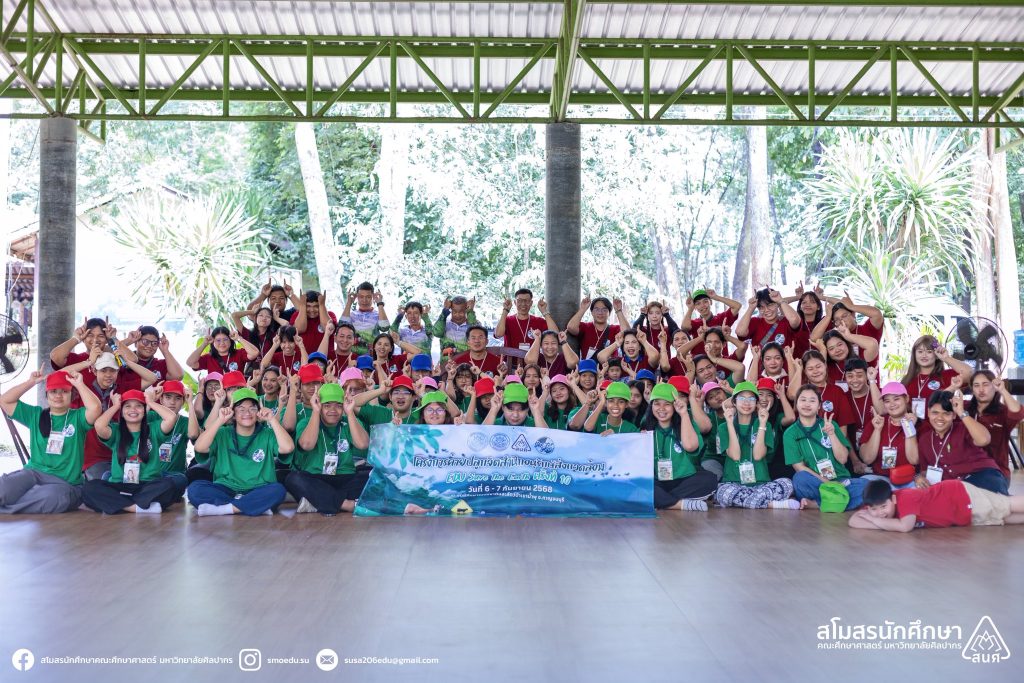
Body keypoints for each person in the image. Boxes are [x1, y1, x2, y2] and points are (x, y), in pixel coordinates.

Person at [0, 368, 101, 513]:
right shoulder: (35, 415)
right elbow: (5, 400)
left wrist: (80, 384)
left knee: (53, 496)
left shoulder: (78, 417)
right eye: (53, 391)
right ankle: (23, 500)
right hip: (34, 474)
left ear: (72, 395)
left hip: (67, 483)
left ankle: (7, 507)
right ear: (46, 395)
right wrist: (30, 382)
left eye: (64, 391)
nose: (58, 396)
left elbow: (95, 408)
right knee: (5, 485)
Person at [186, 388, 293, 516]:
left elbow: (288, 448)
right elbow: (199, 447)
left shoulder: (268, 434)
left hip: (259, 488)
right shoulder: (222, 433)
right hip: (226, 488)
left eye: (252, 408)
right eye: (241, 409)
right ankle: (253, 506)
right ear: (233, 413)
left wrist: (272, 419)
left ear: (258, 412)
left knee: (278, 490)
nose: (247, 413)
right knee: (195, 489)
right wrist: (220, 420)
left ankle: (225, 509)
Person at [81, 389, 181, 514]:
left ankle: (119, 504)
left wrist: (150, 401)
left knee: (169, 485)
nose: (133, 410)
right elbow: (99, 425)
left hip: (147, 485)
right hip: (120, 485)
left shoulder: (154, 429)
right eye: (127, 406)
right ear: (122, 412)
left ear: (144, 410)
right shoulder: (115, 430)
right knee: (89, 488)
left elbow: (171, 417)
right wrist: (115, 406)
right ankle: (137, 507)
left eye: (138, 406)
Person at [286, 383, 370, 515]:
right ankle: (346, 504)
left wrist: (350, 412)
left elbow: (363, 444)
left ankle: (318, 501)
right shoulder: (306, 422)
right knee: (293, 478)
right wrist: (315, 411)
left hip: (345, 477)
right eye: (327, 405)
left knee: (371, 475)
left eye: (338, 405)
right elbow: (307, 445)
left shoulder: (349, 421)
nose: (333, 410)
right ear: (319, 405)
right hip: (316, 478)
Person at [783, 384, 868, 511]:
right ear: (796, 404)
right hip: (816, 482)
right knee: (800, 479)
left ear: (819, 406)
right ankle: (840, 499)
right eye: (803, 400)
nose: (807, 404)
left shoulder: (831, 425)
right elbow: (799, 467)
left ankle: (818, 504)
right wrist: (828, 483)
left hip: (840, 479)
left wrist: (832, 434)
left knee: (866, 485)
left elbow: (843, 459)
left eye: (812, 400)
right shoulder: (790, 433)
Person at [714, 382, 798, 509]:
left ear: (756, 404)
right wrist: (730, 424)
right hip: (733, 483)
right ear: (734, 402)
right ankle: (769, 504)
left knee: (787, 484)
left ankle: (746, 501)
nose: (747, 403)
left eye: (751, 399)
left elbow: (758, 455)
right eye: (742, 398)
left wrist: (762, 423)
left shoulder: (765, 425)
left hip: (761, 483)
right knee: (723, 492)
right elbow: (735, 456)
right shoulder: (723, 427)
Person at [915, 390, 1008, 495]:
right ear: (928, 412)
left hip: (983, 476)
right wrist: (919, 478)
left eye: (946, 413)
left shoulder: (964, 428)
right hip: (955, 487)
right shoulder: (925, 440)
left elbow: (984, 440)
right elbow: (924, 471)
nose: (940, 418)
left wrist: (961, 412)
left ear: (954, 415)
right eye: (935, 413)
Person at [643, 383, 717, 511]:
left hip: (683, 480)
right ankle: (679, 504)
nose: (661, 408)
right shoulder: (646, 426)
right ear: (651, 406)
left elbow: (690, 446)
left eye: (667, 404)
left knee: (709, 480)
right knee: (641, 486)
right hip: (657, 481)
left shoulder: (685, 421)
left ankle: (661, 500)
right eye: (657, 404)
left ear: (674, 405)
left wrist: (683, 414)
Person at [850, 479, 1024, 531]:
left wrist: (876, 521)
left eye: (883, 507)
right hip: (960, 515)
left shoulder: (905, 498)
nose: (880, 512)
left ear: (893, 499)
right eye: (873, 509)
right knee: (1003, 517)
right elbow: (853, 521)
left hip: (960, 496)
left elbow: (905, 527)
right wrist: (879, 521)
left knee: (1006, 504)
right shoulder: (877, 501)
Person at [858, 382, 919, 489]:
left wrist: (909, 427)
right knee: (860, 484)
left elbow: (914, 460)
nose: (892, 404)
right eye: (887, 401)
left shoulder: (920, 424)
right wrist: (877, 430)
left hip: (908, 480)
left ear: (906, 398)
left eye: (896, 399)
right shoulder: (876, 422)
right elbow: (867, 459)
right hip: (880, 480)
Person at [966, 370, 1024, 481]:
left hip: (996, 472)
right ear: (972, 389)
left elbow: (1018, 413)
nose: (981, 389)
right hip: (966, 470)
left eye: (985, 384)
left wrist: (1003, 390)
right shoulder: (963, 408)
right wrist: (953, 387)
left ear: (994, 386)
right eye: (976, 385)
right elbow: (938, 405)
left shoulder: (1002, 411)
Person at [900, 335, 973, 418]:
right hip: (913, 425)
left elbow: (970, 373)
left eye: (929, 352)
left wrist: (946, 358)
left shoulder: (946, 376)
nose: (924, 355)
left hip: (940, 424)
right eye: (920, 352)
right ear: (914, 354)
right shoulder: (907, 379)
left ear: (936, 355)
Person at [566, 295, 631, 360]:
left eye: (604, 310)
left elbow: (628, 333)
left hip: (611, 366)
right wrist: (583, 309)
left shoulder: (614, 329)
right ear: (592, 312)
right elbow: (571, 327)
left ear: (609, 313)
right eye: (596, 309)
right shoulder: (585, 327)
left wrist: (618, 311)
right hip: (588, 366)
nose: (600, 313)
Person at [494, 289, 558, 354]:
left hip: (533, 360)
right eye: (519, 301)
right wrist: (505, 310)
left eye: (527, 301)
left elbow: (556, 334)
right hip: (510, 359)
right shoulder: (507, 320)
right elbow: (498, 335)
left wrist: (544, 311)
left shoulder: (539, 321)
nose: (523, 304)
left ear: (531, 303)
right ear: (515, 302)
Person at [735, 288, 801, 349]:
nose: (766, 310)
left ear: (777, 305)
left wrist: (780, 300)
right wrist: (751, 308)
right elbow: (740, 332)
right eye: (761, 307)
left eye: (770, 305)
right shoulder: (755, 322)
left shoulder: (786, 321)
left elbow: (795, 320)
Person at [680, 288, 741, 355]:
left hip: (721, 360)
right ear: (695, 307)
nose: (702, 305)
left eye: (705, 301)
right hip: (699, 361)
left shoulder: (721, 318)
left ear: (711, 302)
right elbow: (684, 327)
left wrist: (716, 297)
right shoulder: (694, 323)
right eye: (698, 303)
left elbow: (737, 306)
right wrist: (690, 308)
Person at [187, 326, 260, 375]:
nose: (222, 343)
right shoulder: (208, 358)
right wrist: (204, 344)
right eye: (218, 340)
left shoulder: (239, 353)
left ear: (230, 340)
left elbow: (255, 353)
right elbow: (190, 363)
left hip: (237, 392)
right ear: (213, 342)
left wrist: (239, 338)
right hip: (216, 393)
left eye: (225, 339)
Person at [341, 282, 388, 355]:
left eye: (368, 297)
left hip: (373, 356)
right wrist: (349, 302)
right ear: (357, 297)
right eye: (361, 297)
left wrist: (380, 303)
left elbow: (385, 327)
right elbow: (341, 325)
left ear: (373, 297)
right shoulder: (352, 315)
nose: (364, 300)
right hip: (353, 357)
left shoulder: (378, 315)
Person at [293, 289, 338, 356]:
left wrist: (322, 305)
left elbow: (327, 329)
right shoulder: (297, 315)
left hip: (324, 359)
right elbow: (300, 329)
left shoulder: (330, 315)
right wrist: (302, 305)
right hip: (301, 358)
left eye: (316, 306)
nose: (312, 310)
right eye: (308, 306)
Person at [596, 329, 661, 375]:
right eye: (627, 343)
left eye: (634, 342)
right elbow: (601, 357)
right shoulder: (619, 362)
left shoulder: (646, 360)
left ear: (640, 346)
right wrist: (617, 343)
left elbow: (655, 356)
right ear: (623, 347)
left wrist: (644, 341)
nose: (630, 346)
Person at [482, 383, 548, 427]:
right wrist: (493, 409)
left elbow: (546, 438)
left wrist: (536, 411)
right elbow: (481, 437)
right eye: (510, 409)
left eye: (521, 409)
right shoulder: (495, 424)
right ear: (502, 407)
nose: (515, 415)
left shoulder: (535, 424)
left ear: (528, 408)